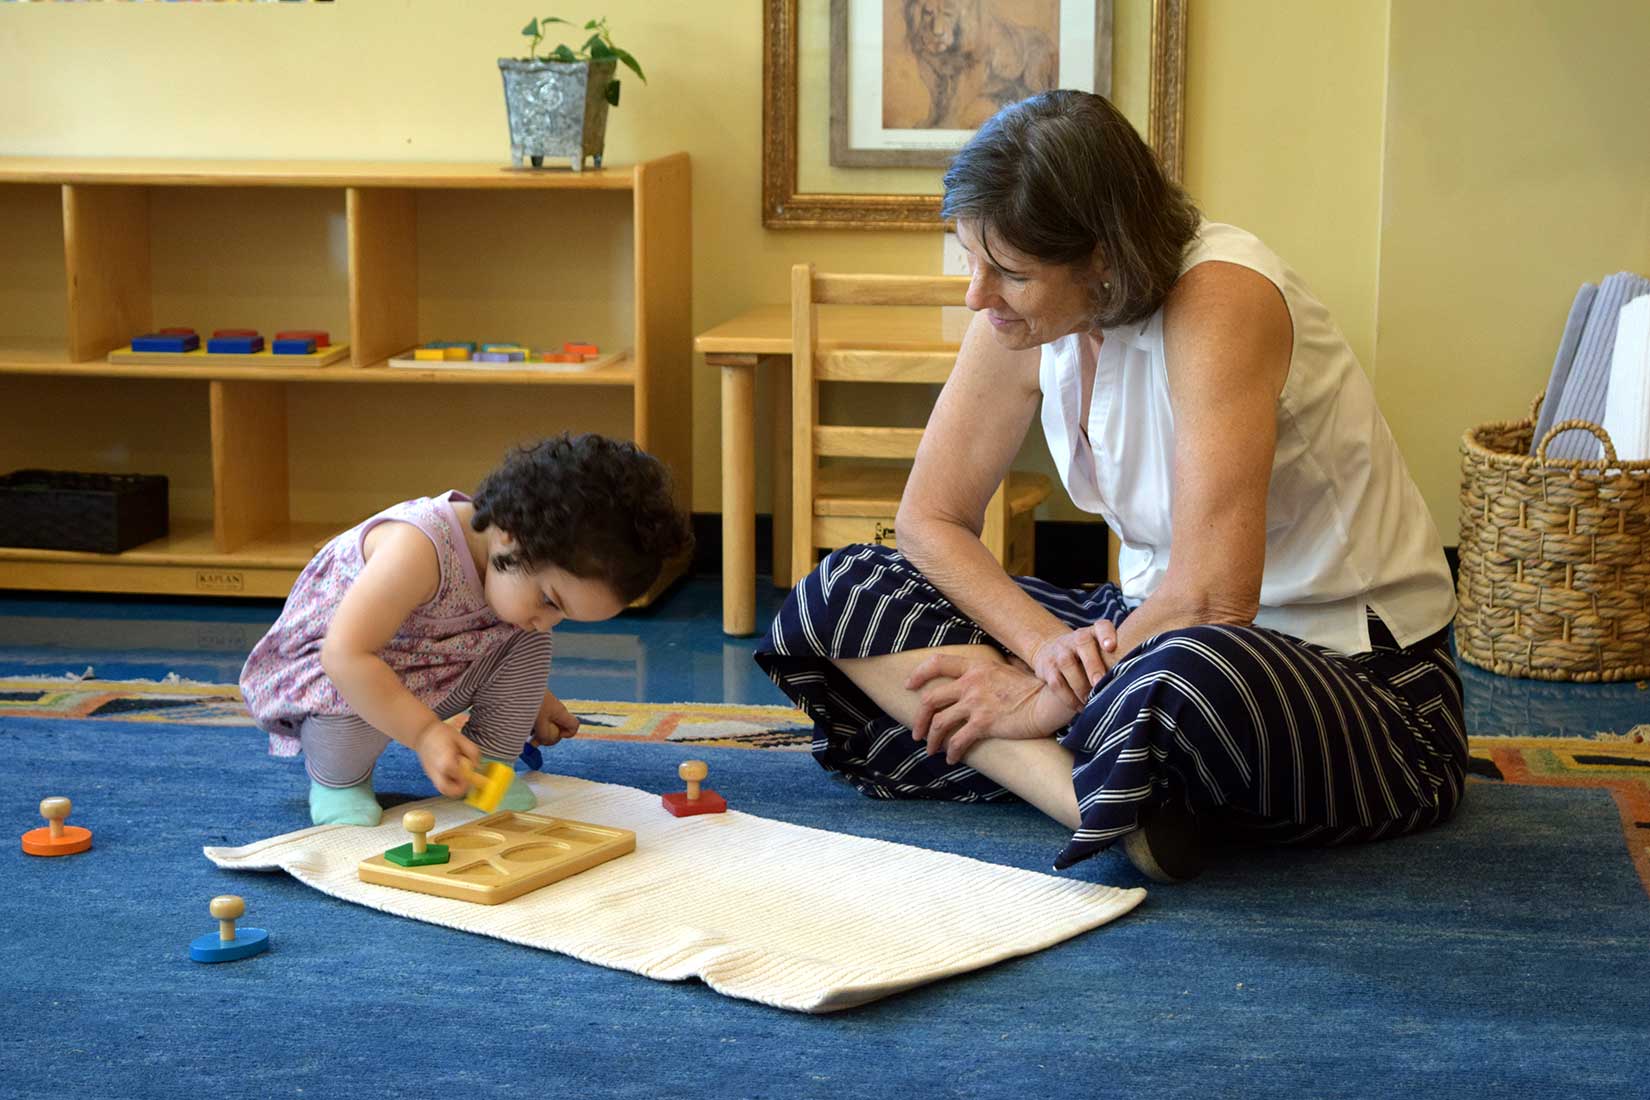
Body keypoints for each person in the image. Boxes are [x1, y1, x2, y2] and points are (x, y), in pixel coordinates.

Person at [756, 90, 1466, 883]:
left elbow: (1211, 600)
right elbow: (930, 518)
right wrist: (1043, 653)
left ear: (1104, 261)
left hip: (1342, 678)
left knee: (1178, 684)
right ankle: (1103, 802)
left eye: (1010, 274)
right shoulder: (1020, 315)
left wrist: (1039, 699)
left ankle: (1086, 762)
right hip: (1139, 634)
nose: (976, 296)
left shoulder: (1224, 295)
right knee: (843, 591)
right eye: (971, 259)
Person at [241, 433, 692, 827]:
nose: (549, 619)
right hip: (339, 677)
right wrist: (424, 735)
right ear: (512, 537)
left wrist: (531, 696)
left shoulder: (513, 581)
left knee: (528, 636)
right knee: (352, 723)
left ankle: (488, 766)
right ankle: (339, 783)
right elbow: (344, 656)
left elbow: (495, 636)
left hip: (429, 666)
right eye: (551, 600)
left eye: (564, 614)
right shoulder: (416, 548)